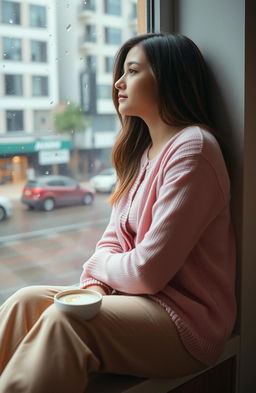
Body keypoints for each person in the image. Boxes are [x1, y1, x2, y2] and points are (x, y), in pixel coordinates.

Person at [0, 33, 236, 393]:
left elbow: (147, 271)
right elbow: (112, 238)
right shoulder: (143, 154)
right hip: (138, 303)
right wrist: (97, 284)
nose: (118, 83)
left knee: (66, 322)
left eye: (133, 71)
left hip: (186, 324)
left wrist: (96, 269)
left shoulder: (194, 150)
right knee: (23, 301)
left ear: (168, 78)